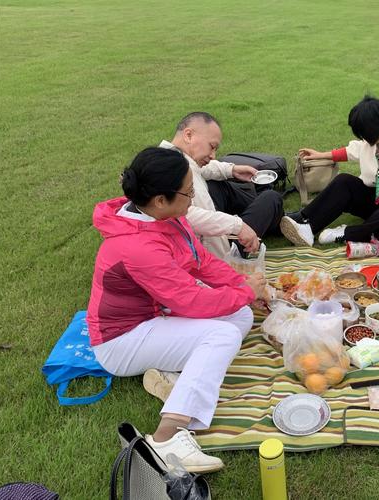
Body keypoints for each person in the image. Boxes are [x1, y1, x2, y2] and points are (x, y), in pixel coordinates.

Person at [88, 147, 267, 473]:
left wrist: (244, 291)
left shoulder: (165, 217)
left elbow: (202, 263)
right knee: (223, 335)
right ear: (159, 199)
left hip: (155, 317)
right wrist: (244, 290)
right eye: (188, 192)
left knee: (241, 313)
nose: (193, 197)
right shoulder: (137, 245)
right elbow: (192, 301)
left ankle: (174, 374)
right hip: (121, 339)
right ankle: (165, 436)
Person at [279, 96, 379, 249]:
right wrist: (321, 155)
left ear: (376, 130)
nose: (362, 138)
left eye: (363, 133)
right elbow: (353, 151)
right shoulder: (378, 140)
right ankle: (305, 224)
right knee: (344, 181)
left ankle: (346, 233)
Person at [160, 112, 283, 259]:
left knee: (219, 185)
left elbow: (201, 168)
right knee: (271, 198)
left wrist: (232, 170)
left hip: (214, 243)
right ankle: (286, 219)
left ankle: (281, 217)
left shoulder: (172, 158)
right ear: (188, 135)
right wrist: (238, 225)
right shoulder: (170, 169)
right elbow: (183, 214)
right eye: (212, 147)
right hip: (218, 255)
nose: (213, 155)